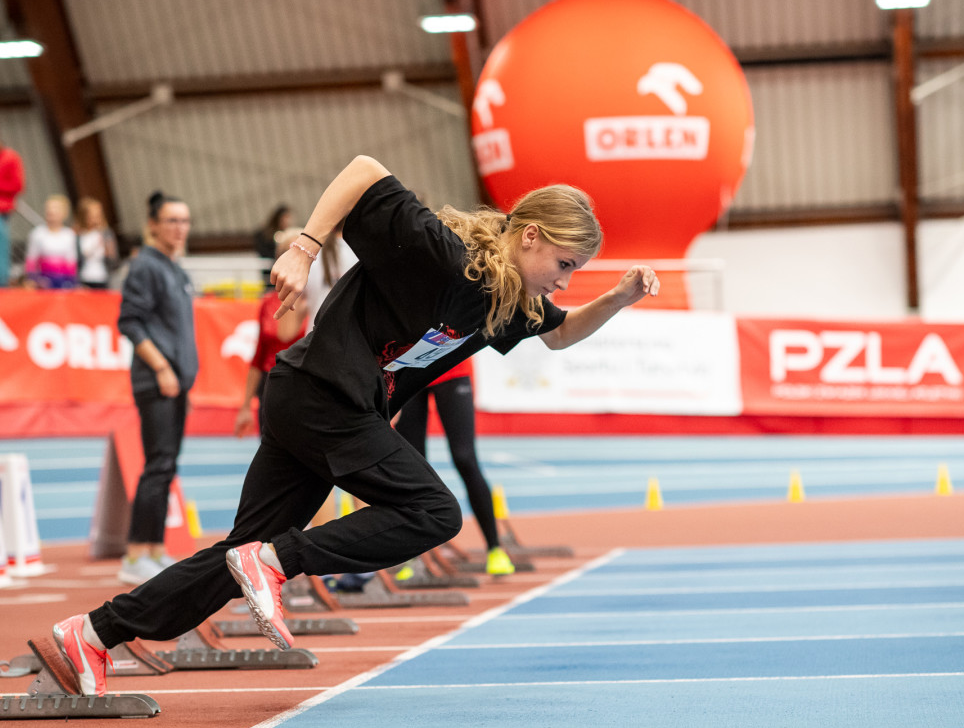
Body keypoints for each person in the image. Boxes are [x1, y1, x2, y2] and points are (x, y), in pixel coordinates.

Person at [50, 155, 658, 696]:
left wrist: (620, 296)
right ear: (530, 236)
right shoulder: (442, 255)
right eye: (565, 263)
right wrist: (304, 245)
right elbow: (364, 169)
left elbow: (559, 333)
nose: (564, 280)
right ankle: (279, 560)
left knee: (237, 554)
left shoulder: (504, 304)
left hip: (314, 402)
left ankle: (95, 632)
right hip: (323, 395)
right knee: (434, 512)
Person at [114, 191, 198, 585]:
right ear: (153, 225)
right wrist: (163, 367)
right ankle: (134, 555)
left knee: (167, 467)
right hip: (157, 381)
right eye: (172, 221)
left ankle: (155, 549)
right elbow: (129, 321)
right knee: (157, 466)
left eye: (185, 221)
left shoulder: (176, 270)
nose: (180, 228)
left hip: (176, 383)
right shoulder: (145, 267)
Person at [394, 357, 515, 575]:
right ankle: (415, 557)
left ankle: (495, 548)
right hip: (408, 369)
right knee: (412, 466)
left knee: (465, 458)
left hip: (452, 366)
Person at [234, 230, 308, 439]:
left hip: (303, 385)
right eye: (287, 252)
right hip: (270, 386)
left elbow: (286, 335)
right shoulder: (268, 302)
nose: (293, 257)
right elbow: (258, 355)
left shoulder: (316, 299)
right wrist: (246, 405)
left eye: (298, 251)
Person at [23, 194, 77, 289]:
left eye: (55, 208)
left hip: (64, 282)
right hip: (43, 282)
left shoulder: (69, 234)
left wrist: (72, 282)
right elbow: (31, 260)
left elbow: (72, 261)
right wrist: (33, 279)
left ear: (64, 213)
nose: (51, 211)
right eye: (49, 208)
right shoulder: (37, 233)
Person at [75, 197, 119, 290]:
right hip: (85, 278)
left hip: (104, 278)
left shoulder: (106, 233)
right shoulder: (78, 235)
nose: (95, 218)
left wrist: (107, 247)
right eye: (92, 215)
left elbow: (113, 259)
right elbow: (77, 259)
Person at [0, 137, 24, 287]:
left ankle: (2, 283)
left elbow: (17, 185)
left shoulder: (11, 158)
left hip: (2, 211)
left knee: (2, 248)